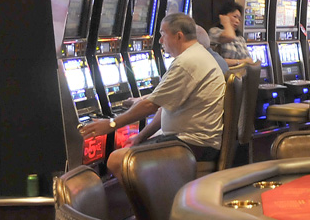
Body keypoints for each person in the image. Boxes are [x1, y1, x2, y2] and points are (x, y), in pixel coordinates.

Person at [81, 12, 224, 176]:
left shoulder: (187, 62)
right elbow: (164, 106)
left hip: (192, 145)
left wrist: (112, 124)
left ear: (179, 36)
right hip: (195, 142)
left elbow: (150, 105)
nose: (160, 41)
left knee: (116, 160)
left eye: (163, 34)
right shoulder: (197, 55)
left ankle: (158, 193)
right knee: (127, 151)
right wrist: (141, 136)